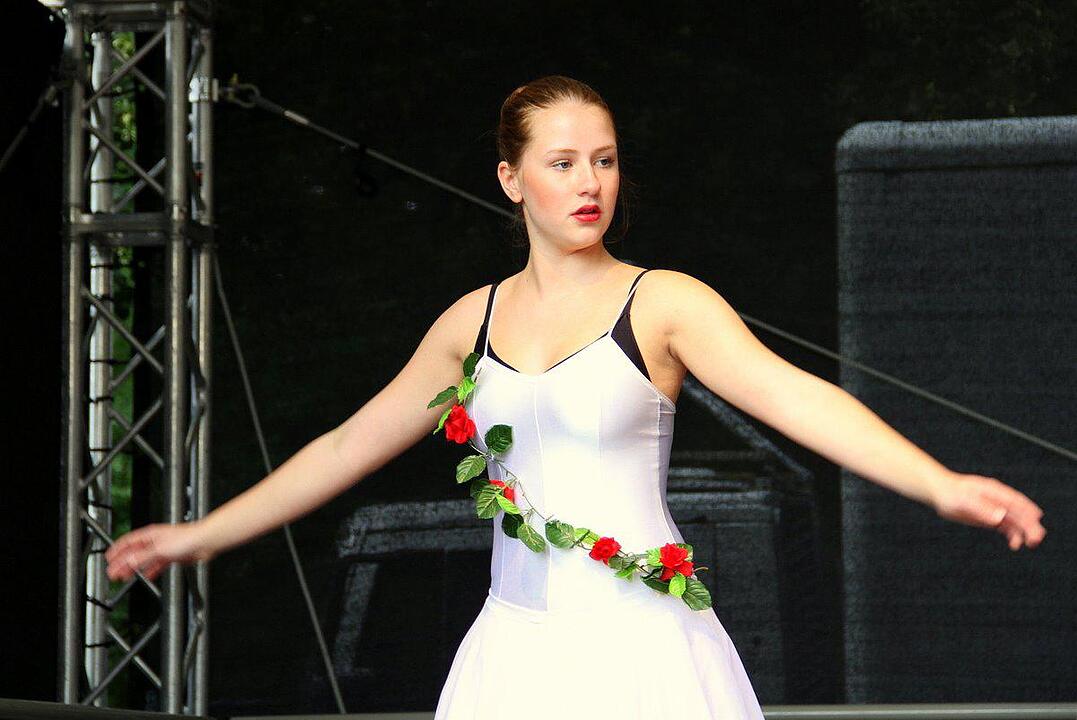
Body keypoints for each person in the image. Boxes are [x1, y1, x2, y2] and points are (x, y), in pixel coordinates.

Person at [105, 75, 1047, 718]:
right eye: (561, 163)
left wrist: (937, 484)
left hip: (646, 648)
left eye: (602, 159)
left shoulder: (664, 303)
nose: (589, 182)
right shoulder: (467, 324)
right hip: (512, 652)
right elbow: (347, 447)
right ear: (511, 181)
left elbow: (795, 395)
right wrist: (198, 535)